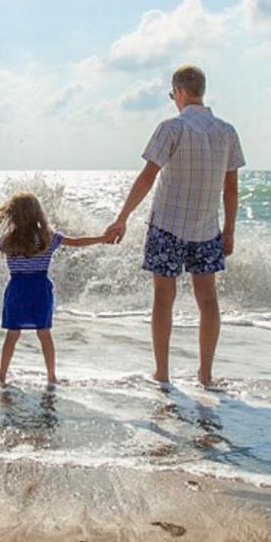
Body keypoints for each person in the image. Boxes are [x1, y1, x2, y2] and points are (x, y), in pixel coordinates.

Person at [105, 65, 244, 387]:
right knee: (207, 300)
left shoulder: (171, 128)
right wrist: (230, 230)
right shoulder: (227, 131)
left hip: (167, 225)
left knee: (163, 299)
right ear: (201, 91)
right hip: (207, 228)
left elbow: (147, 177)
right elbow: (231, 189)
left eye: (172, 94)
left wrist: (122, 217)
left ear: (179, 91)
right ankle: (205, 375)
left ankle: (163, 373)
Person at [0, 191, 108, 384]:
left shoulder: (8, 239)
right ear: (37, 213)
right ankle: (51, 376)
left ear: (12, 215)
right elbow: (76, 242)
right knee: (44, 333)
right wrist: (102, 238)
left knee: (12, 334)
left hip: (17, 289)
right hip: (39, 289)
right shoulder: (47, 237)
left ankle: (2, 375)